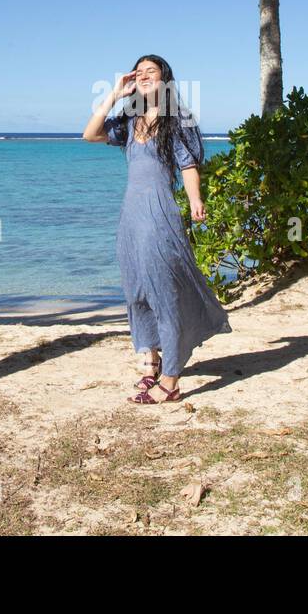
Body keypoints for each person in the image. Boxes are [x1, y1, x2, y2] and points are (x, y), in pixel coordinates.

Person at [82, 55, 232, 404]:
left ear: (165, 78)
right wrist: (114, 95)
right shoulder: (129, 120)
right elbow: (90, 134)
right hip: (130, 215)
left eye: (152, 70)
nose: (145, 75)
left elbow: (189, 164)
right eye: (140, 72)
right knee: (136, 288)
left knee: (164, 288)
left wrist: (195, 200)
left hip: (158, 212)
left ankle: (172, 378)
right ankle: (150, 360)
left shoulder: (178, 119)